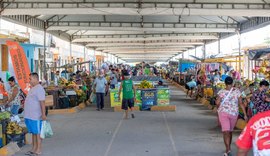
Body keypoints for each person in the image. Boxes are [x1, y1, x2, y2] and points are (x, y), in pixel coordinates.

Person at [215, 76, 248, 156]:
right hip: (230, 113)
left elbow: (217, 103)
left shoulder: (221, 92)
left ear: (225, 83)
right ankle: (228, 149)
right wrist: (245, 114)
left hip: (226, 113)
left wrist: (218, 106)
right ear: (232, 83)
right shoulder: (237, 92)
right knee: (227, 131)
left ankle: (228, 147)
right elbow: (241, 103)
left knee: (228, 132)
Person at [24, 73, 46, 156]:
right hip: (30, 116)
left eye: (30, 79)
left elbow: (42, 102)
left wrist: (43, 114)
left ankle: (39, 150)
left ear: (36, 79)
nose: (29, 81)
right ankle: (34, 148)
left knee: (38, 133)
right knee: (33, 132)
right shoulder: (33, 88)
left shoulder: (39, 89)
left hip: (36, 116)